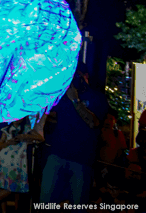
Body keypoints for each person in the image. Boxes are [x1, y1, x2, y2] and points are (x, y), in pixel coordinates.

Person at [39, 67, 108, 211]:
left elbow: (93, 122)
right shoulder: (63, 95)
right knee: (46, 203)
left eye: (78, 75)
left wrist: (75, 100)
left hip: (82, 161)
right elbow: (51, 115)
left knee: (77, 206)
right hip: (57, 155)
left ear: (86, 76)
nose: (74, 78)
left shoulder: (97, 97)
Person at [0, 115, 44, 210]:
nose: (17, 118)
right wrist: (10, 142)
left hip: (18, 163)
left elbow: (40, 138)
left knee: (10, 187)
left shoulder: (27, 128)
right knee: (6, 187)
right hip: (5, 161)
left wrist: (26, 136)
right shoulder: (6, 129)